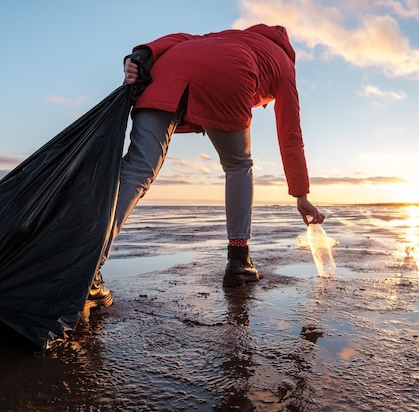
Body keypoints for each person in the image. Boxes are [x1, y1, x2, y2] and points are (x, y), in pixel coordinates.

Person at [87, 24, 325, 310]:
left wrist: (141, 54)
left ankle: (85, 266)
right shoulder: (284, 64)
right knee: (238, 165)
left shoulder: (231, 36)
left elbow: (181, 39)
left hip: (164, 71)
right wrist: (301, 194)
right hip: (232, 74)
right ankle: (239, 260)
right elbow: (290, 132)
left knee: (138, 167)